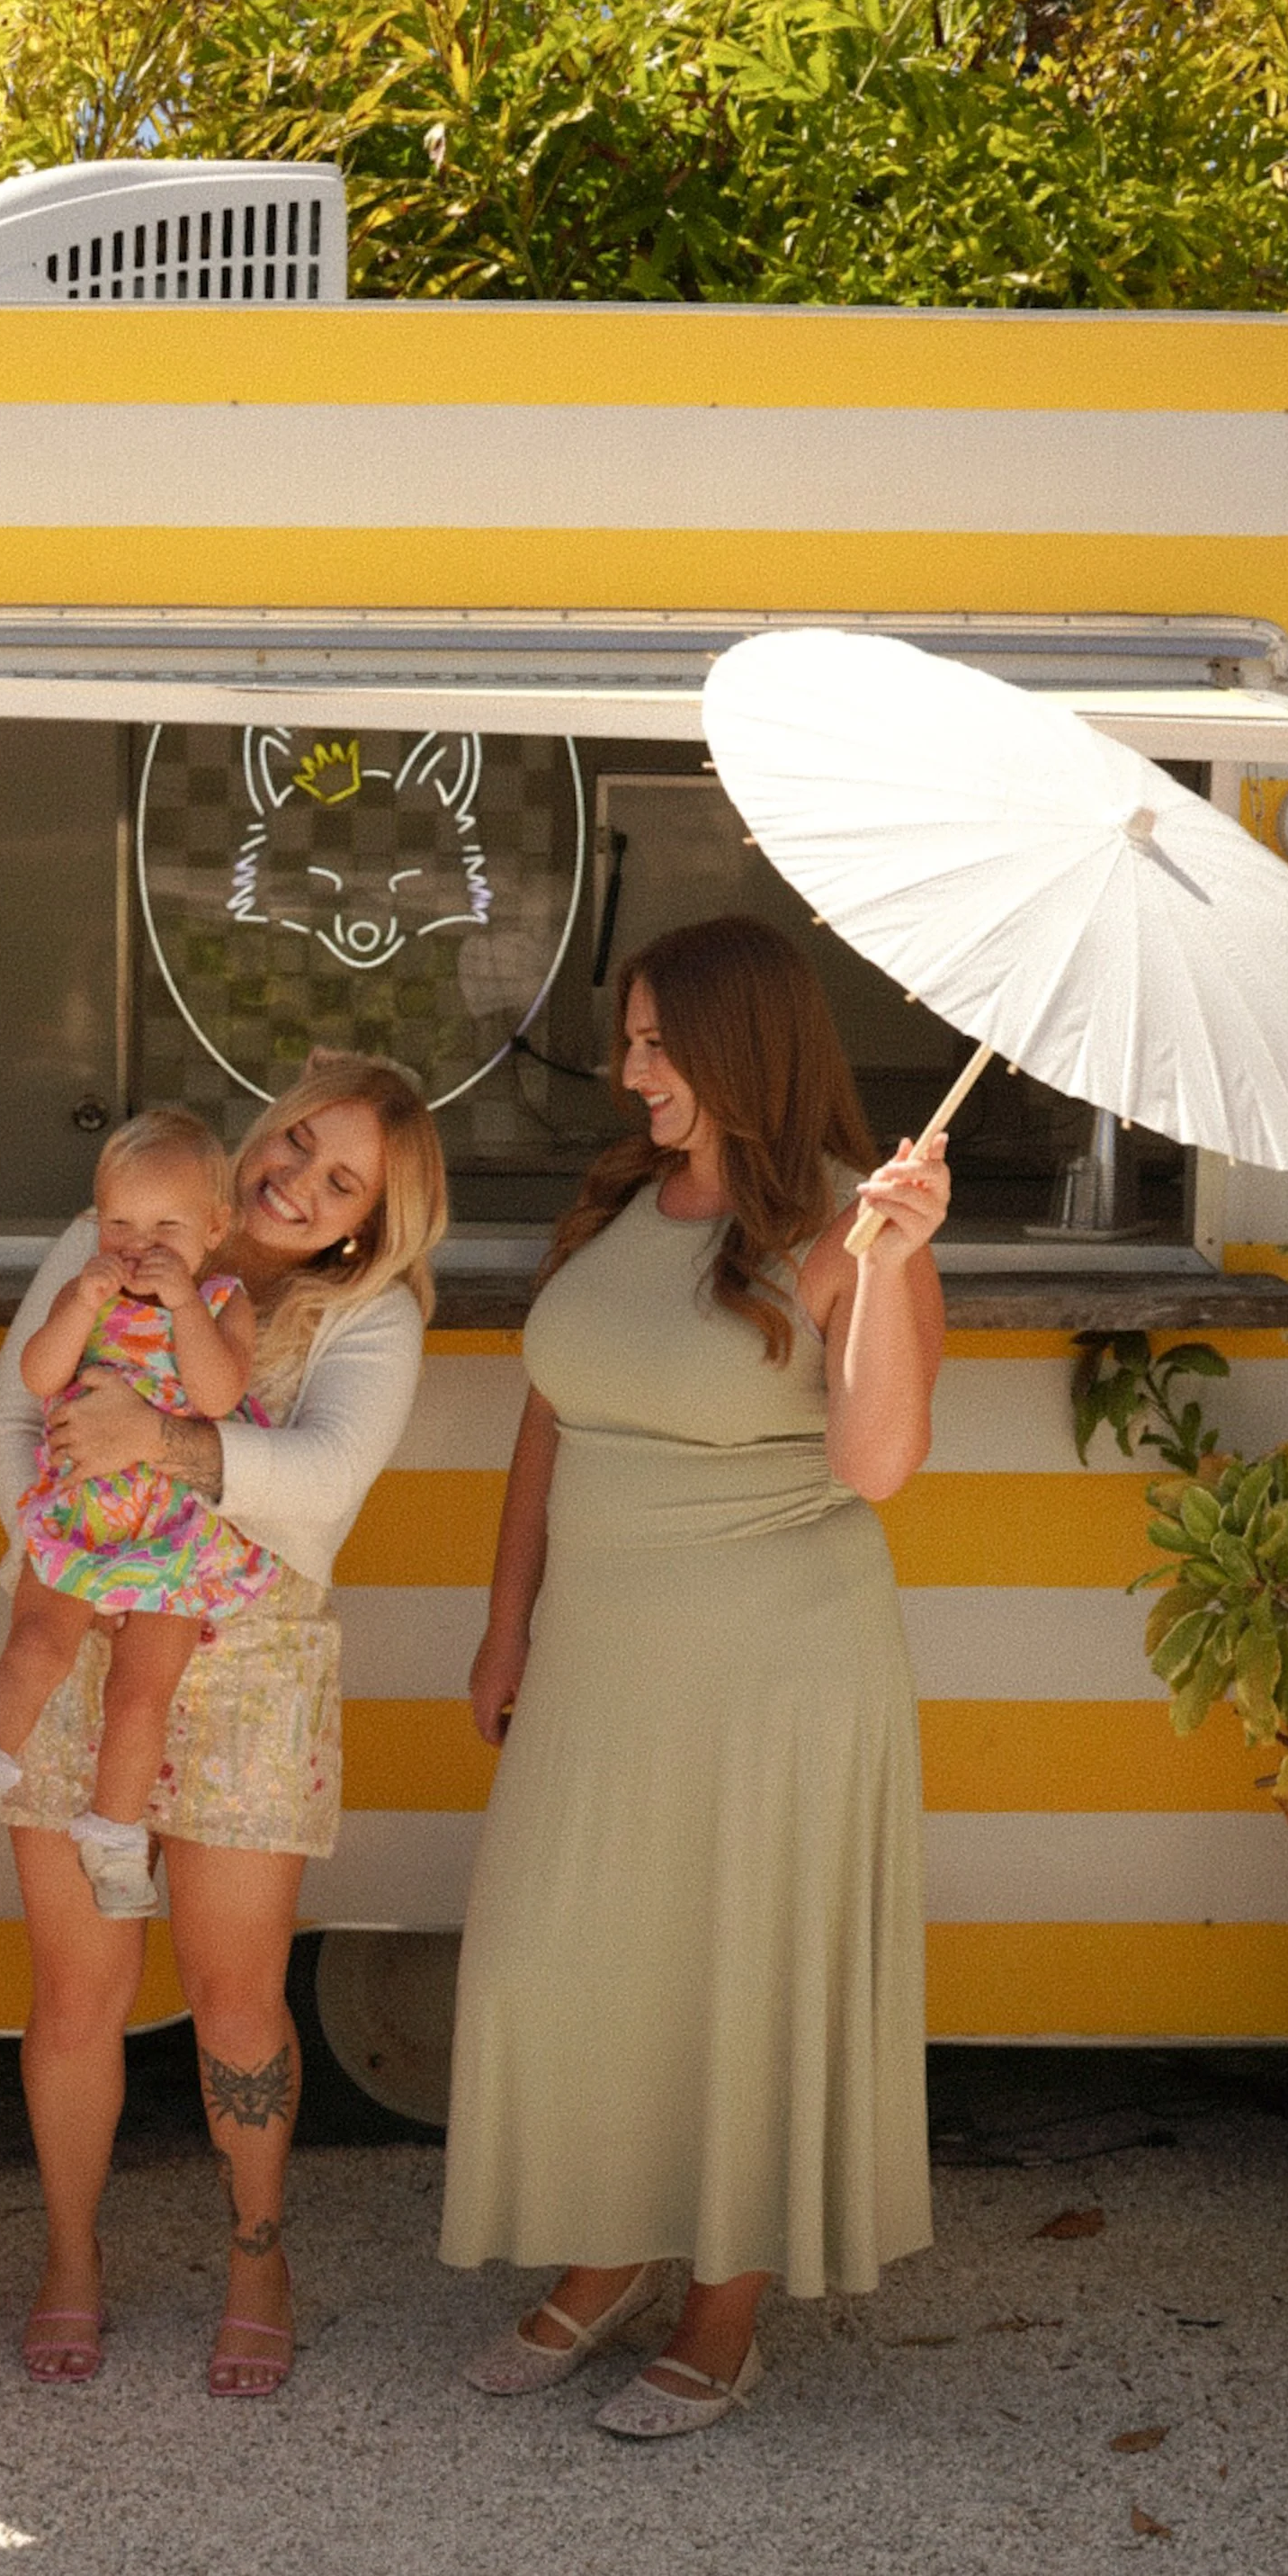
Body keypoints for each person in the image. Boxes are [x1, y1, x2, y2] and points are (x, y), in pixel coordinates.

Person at [440, 915, 950, 2437]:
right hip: (599, 1658)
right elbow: (552, 1416)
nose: (629, 1066)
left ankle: (724, 2306)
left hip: (776, 1670)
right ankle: (613, 2249)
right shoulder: (620, 1198)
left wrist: (891, 1271)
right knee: (574, 1955)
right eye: (632, 1035)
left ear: (740, 1047)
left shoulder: (858, 1230)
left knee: (737, 1973)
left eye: (657, 1039)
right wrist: (507, 1615)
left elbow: (874, 1466)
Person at [0, 1054, 448, 2395]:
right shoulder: (130, 1221)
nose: (293, 1175)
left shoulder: (369, 1311)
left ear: (368, 1218)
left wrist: (158, 1446)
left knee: (236, 2000)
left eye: (339, 1176)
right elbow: (11, 1412)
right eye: (297, 1137)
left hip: (254, 1665)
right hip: (88, 1636)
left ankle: (258, 2257)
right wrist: (69, 1555)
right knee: (78, 1990)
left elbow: (326, 1478)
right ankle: (71, 2254)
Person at [0, 1108, 276, 1921]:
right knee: (37, 1644)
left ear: (216, 1228)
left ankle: (116, 1839)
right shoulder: (85, 1290)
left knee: (141, 1693)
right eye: (118, 1222)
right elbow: (39, 1374)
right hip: (85, 1509)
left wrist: (185, 1306)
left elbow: (219, 1396)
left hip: (177, 1530)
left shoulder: (224, 1301)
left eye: (166, 1226)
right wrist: (77, 1307)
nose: (137, 1244)